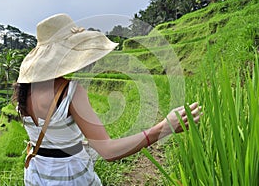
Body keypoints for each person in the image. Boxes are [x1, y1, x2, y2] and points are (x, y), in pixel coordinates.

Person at [12, 13, 202, 186]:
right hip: (70, 177)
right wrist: (163, 128)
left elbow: (55, 138)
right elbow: (108, 151)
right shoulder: (70, 91)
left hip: (37, 175)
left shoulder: (23, 92)